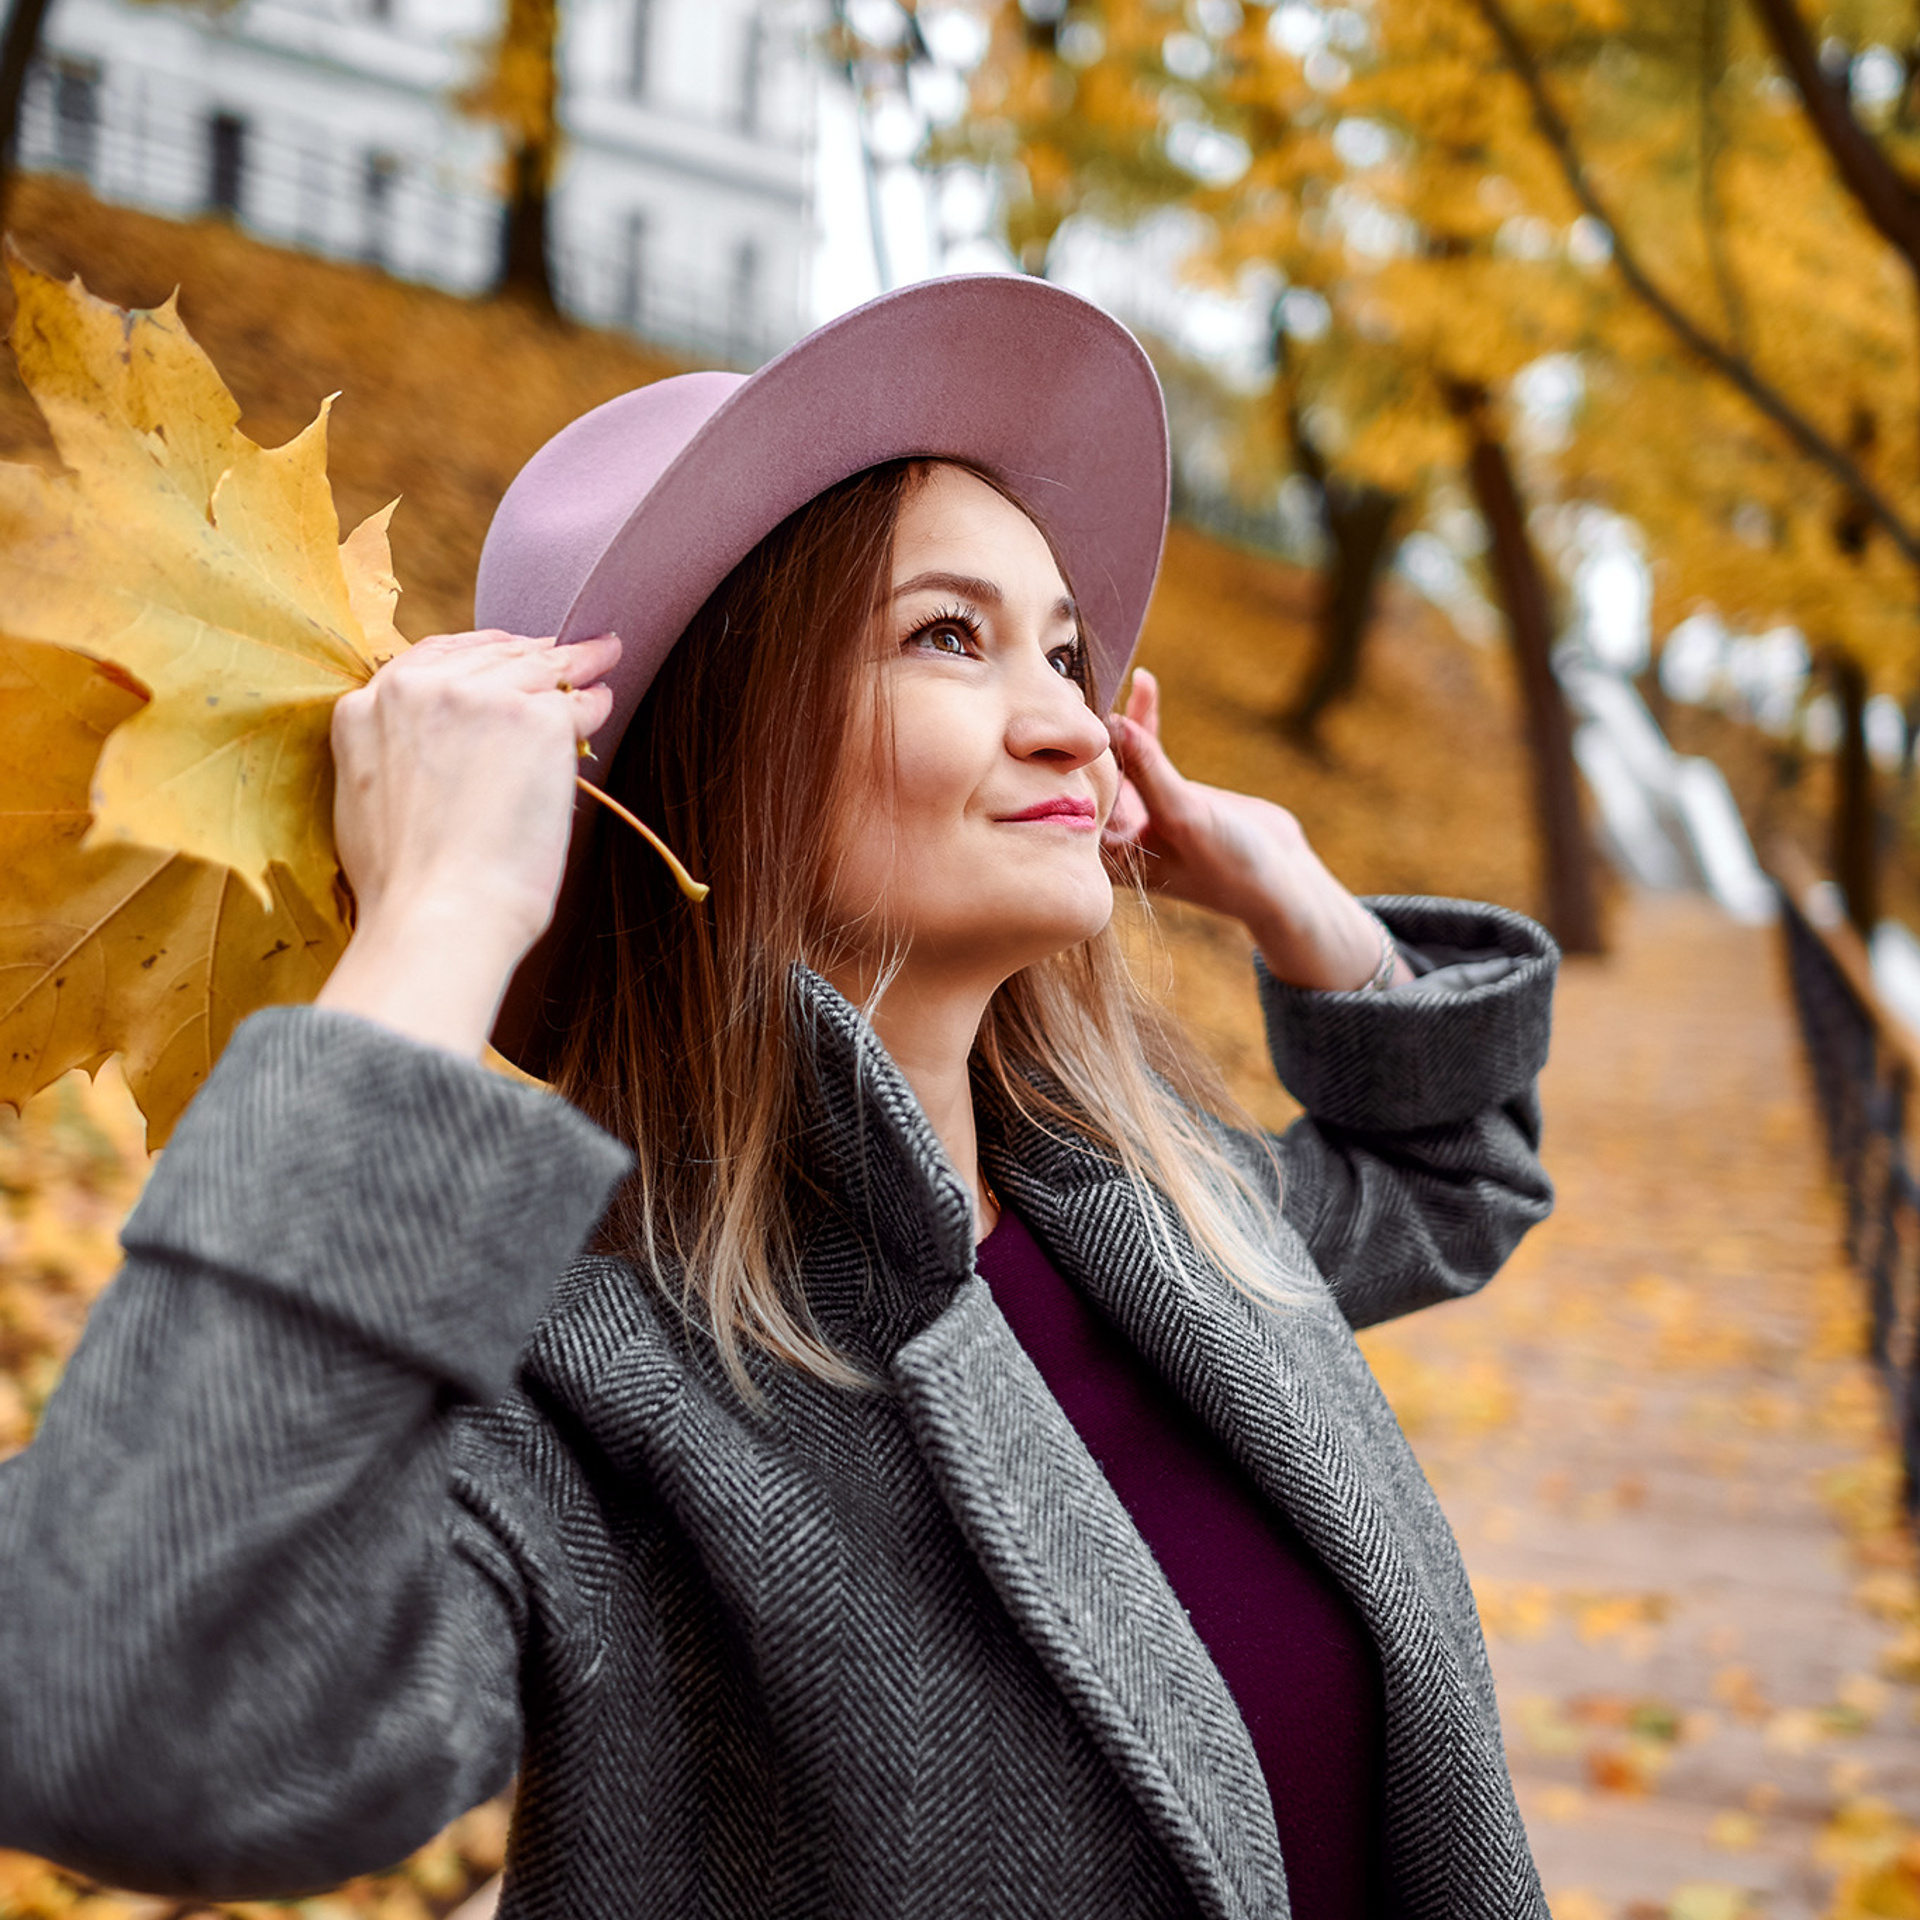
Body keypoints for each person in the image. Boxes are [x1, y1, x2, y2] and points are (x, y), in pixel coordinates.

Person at [0, 275, 1556, 1919]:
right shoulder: (588, 1387)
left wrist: (1296, 899)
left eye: (1070, 649)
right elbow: (121, 1708)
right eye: (949, 636)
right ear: (719, 744)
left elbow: (1456, 1179)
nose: (1073, 723)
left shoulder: (1150, 1210)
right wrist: (442, 911)